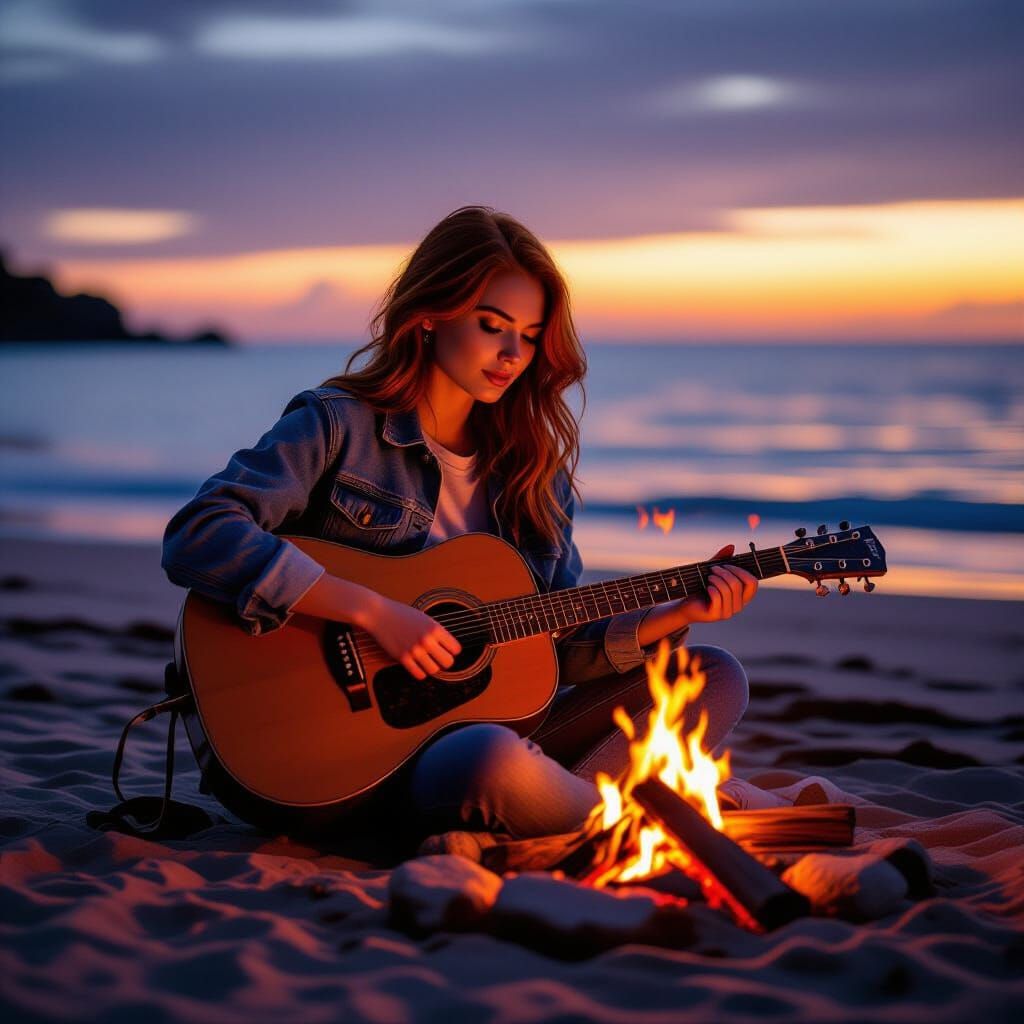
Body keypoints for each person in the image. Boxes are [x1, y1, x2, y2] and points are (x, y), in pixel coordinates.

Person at [161, 205, 756, 850]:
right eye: (492, 326)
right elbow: (201, 532)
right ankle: (634, 820)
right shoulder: (340, 425)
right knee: (490, 763)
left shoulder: (534, 471)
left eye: (529, 336)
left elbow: (550, 650)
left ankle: (570, 812)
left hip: (474, 737)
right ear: (430, 314)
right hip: (336, 767)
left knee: (715, 674)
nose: (512, 354)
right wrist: (373, 612)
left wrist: (674, 610)